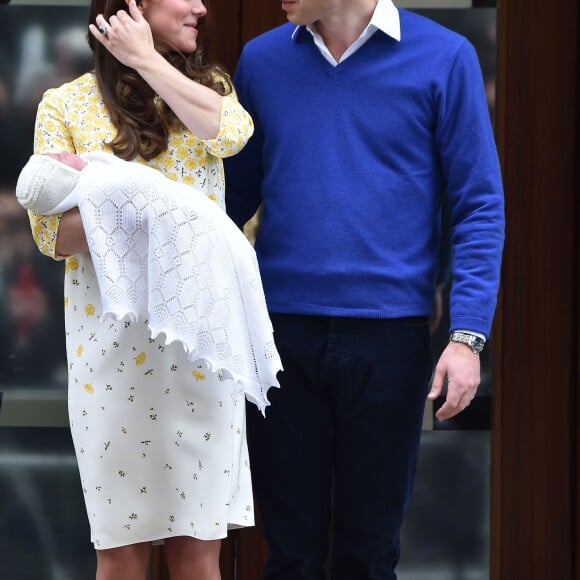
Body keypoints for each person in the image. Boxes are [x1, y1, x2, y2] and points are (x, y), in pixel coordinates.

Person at [224, 1, 505, 579]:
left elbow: (478, 205)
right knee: (290, 555)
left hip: (391, 338)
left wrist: (467, 336)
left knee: (368, 557)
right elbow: (227, 202)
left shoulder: (446, 58)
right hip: (279, 338)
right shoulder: (261, 60)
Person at [26, 1, 260, 578]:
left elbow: (232, 133)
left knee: (198, 553)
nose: (201, 7)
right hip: (110, 356)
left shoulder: (206, 88)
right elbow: (52, 234)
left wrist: (147, 61)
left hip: (203, 353)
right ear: (131, 5)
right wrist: (166, 211)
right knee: (121, 554)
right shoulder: (64, 105)